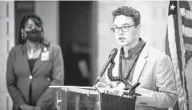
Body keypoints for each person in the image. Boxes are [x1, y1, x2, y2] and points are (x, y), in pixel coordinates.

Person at [99, 6, 177, 110]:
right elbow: (111, 89)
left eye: (125, 27)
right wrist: (106, 90)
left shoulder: (160, 59)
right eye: (116, 28)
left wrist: (135, 95)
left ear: (138, 28)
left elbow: (170, 99)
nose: (120, 32)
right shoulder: (113, 57)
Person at [6, 15, 64, 110]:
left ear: (41, 29)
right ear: (23, 31)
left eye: (37, 26)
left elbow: (58, 81)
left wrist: (40, 107)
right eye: (29, 27)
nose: (34, 29)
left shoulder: (54, 50)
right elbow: (10, 83)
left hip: (47, 107)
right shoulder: (14, 52)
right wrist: (22, 105)